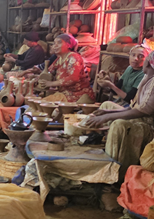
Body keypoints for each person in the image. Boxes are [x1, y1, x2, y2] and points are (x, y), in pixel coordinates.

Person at [84, 46, 154, 178]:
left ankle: (115, 171)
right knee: (107, 105)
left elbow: (141, 111)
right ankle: (96, 143)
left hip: (149, 127)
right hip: (137, 115)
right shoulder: (146, 77)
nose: (137, 59)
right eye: (133, 55)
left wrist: (107, 117)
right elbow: (133, 106)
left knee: (119, 125)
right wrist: (106, 112)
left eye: (142, 57)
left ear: (148, 62)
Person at [37, 34, 94, 103]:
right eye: (54, 43)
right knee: (38, 99)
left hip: (78, 95)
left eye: (59, 42)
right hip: (65, 93)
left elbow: (74, 78)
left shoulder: (74, 57)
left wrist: (51, 83)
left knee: (44, 103)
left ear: (68, 45)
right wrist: (37, 78)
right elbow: (48, 73)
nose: (55, 45)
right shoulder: (59, 59)